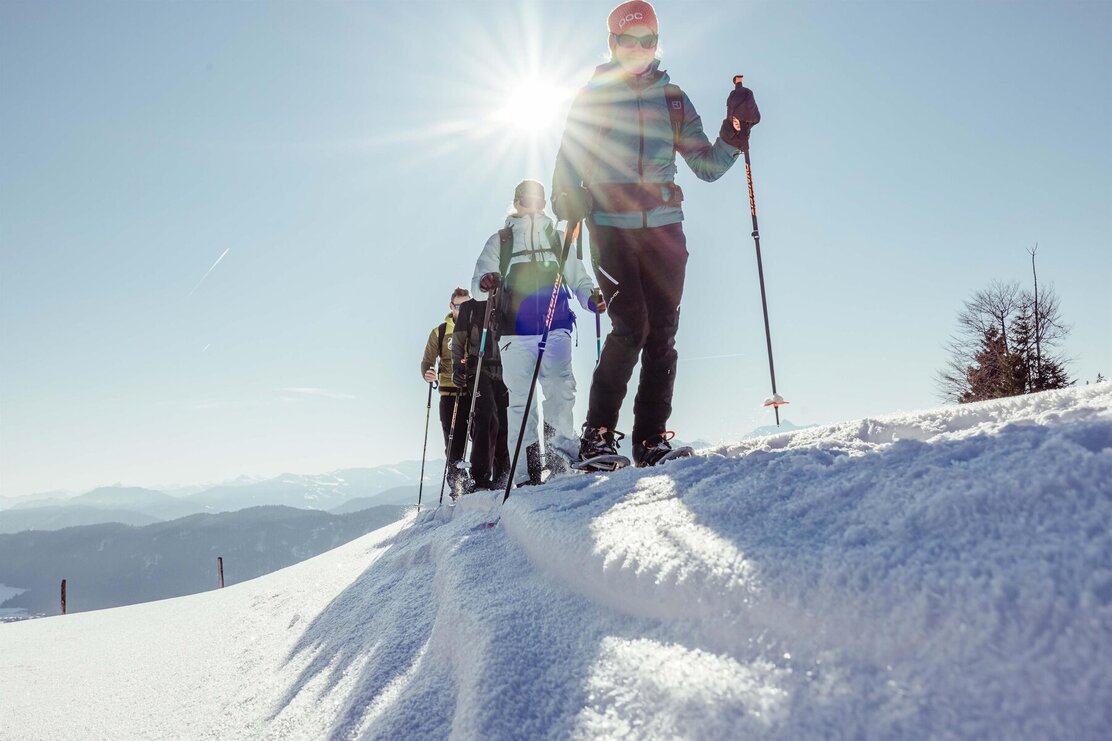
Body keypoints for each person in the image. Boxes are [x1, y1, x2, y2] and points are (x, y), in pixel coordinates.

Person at [552, 0, 760, 468]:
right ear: (613, 43)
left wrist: (734, 132)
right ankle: (597, 435)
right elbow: (568, 159)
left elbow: (706, 166)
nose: (639, 48)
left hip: (665, 231)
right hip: (611, 229)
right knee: (631, 326)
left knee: (663, 332)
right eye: (629, 40)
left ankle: (650, 440)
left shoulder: (673, 100)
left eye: (647, 40)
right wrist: (566, 196)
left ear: (656, 43)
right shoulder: (594, 97)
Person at [471, 179, 604, 486]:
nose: (531, 206)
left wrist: (590, 299)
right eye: (525, 200)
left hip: (556, 325)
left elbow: (578, 278)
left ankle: (558, 461)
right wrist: (487, 281)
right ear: (516, 202)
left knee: (560, 388)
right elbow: (477, 285)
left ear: (544, 204)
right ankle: (525, 474)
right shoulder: (501, 241)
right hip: (514, 333)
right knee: (521, 402)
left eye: (537, 201)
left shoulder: (557, 238)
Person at [451, 294, 510, 491]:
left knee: (504, 422)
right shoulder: (469, 308)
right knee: (486, 417)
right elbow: (458, 341)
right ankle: (480, 477)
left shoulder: (506, 301)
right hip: (478, 371)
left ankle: (503, 476)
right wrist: (457, 368)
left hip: (505, 370)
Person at [420, 288, 471, 492]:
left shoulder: (476, 328)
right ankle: (458, 486)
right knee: (453, 442)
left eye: (467, 305)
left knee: (482, 436)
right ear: (451, 306)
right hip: (449, 394)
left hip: (474, 391)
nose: (463, 310)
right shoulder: (440, 332)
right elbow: (427, 361)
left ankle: (483, 480)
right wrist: (427, 373)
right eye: (459, 306)